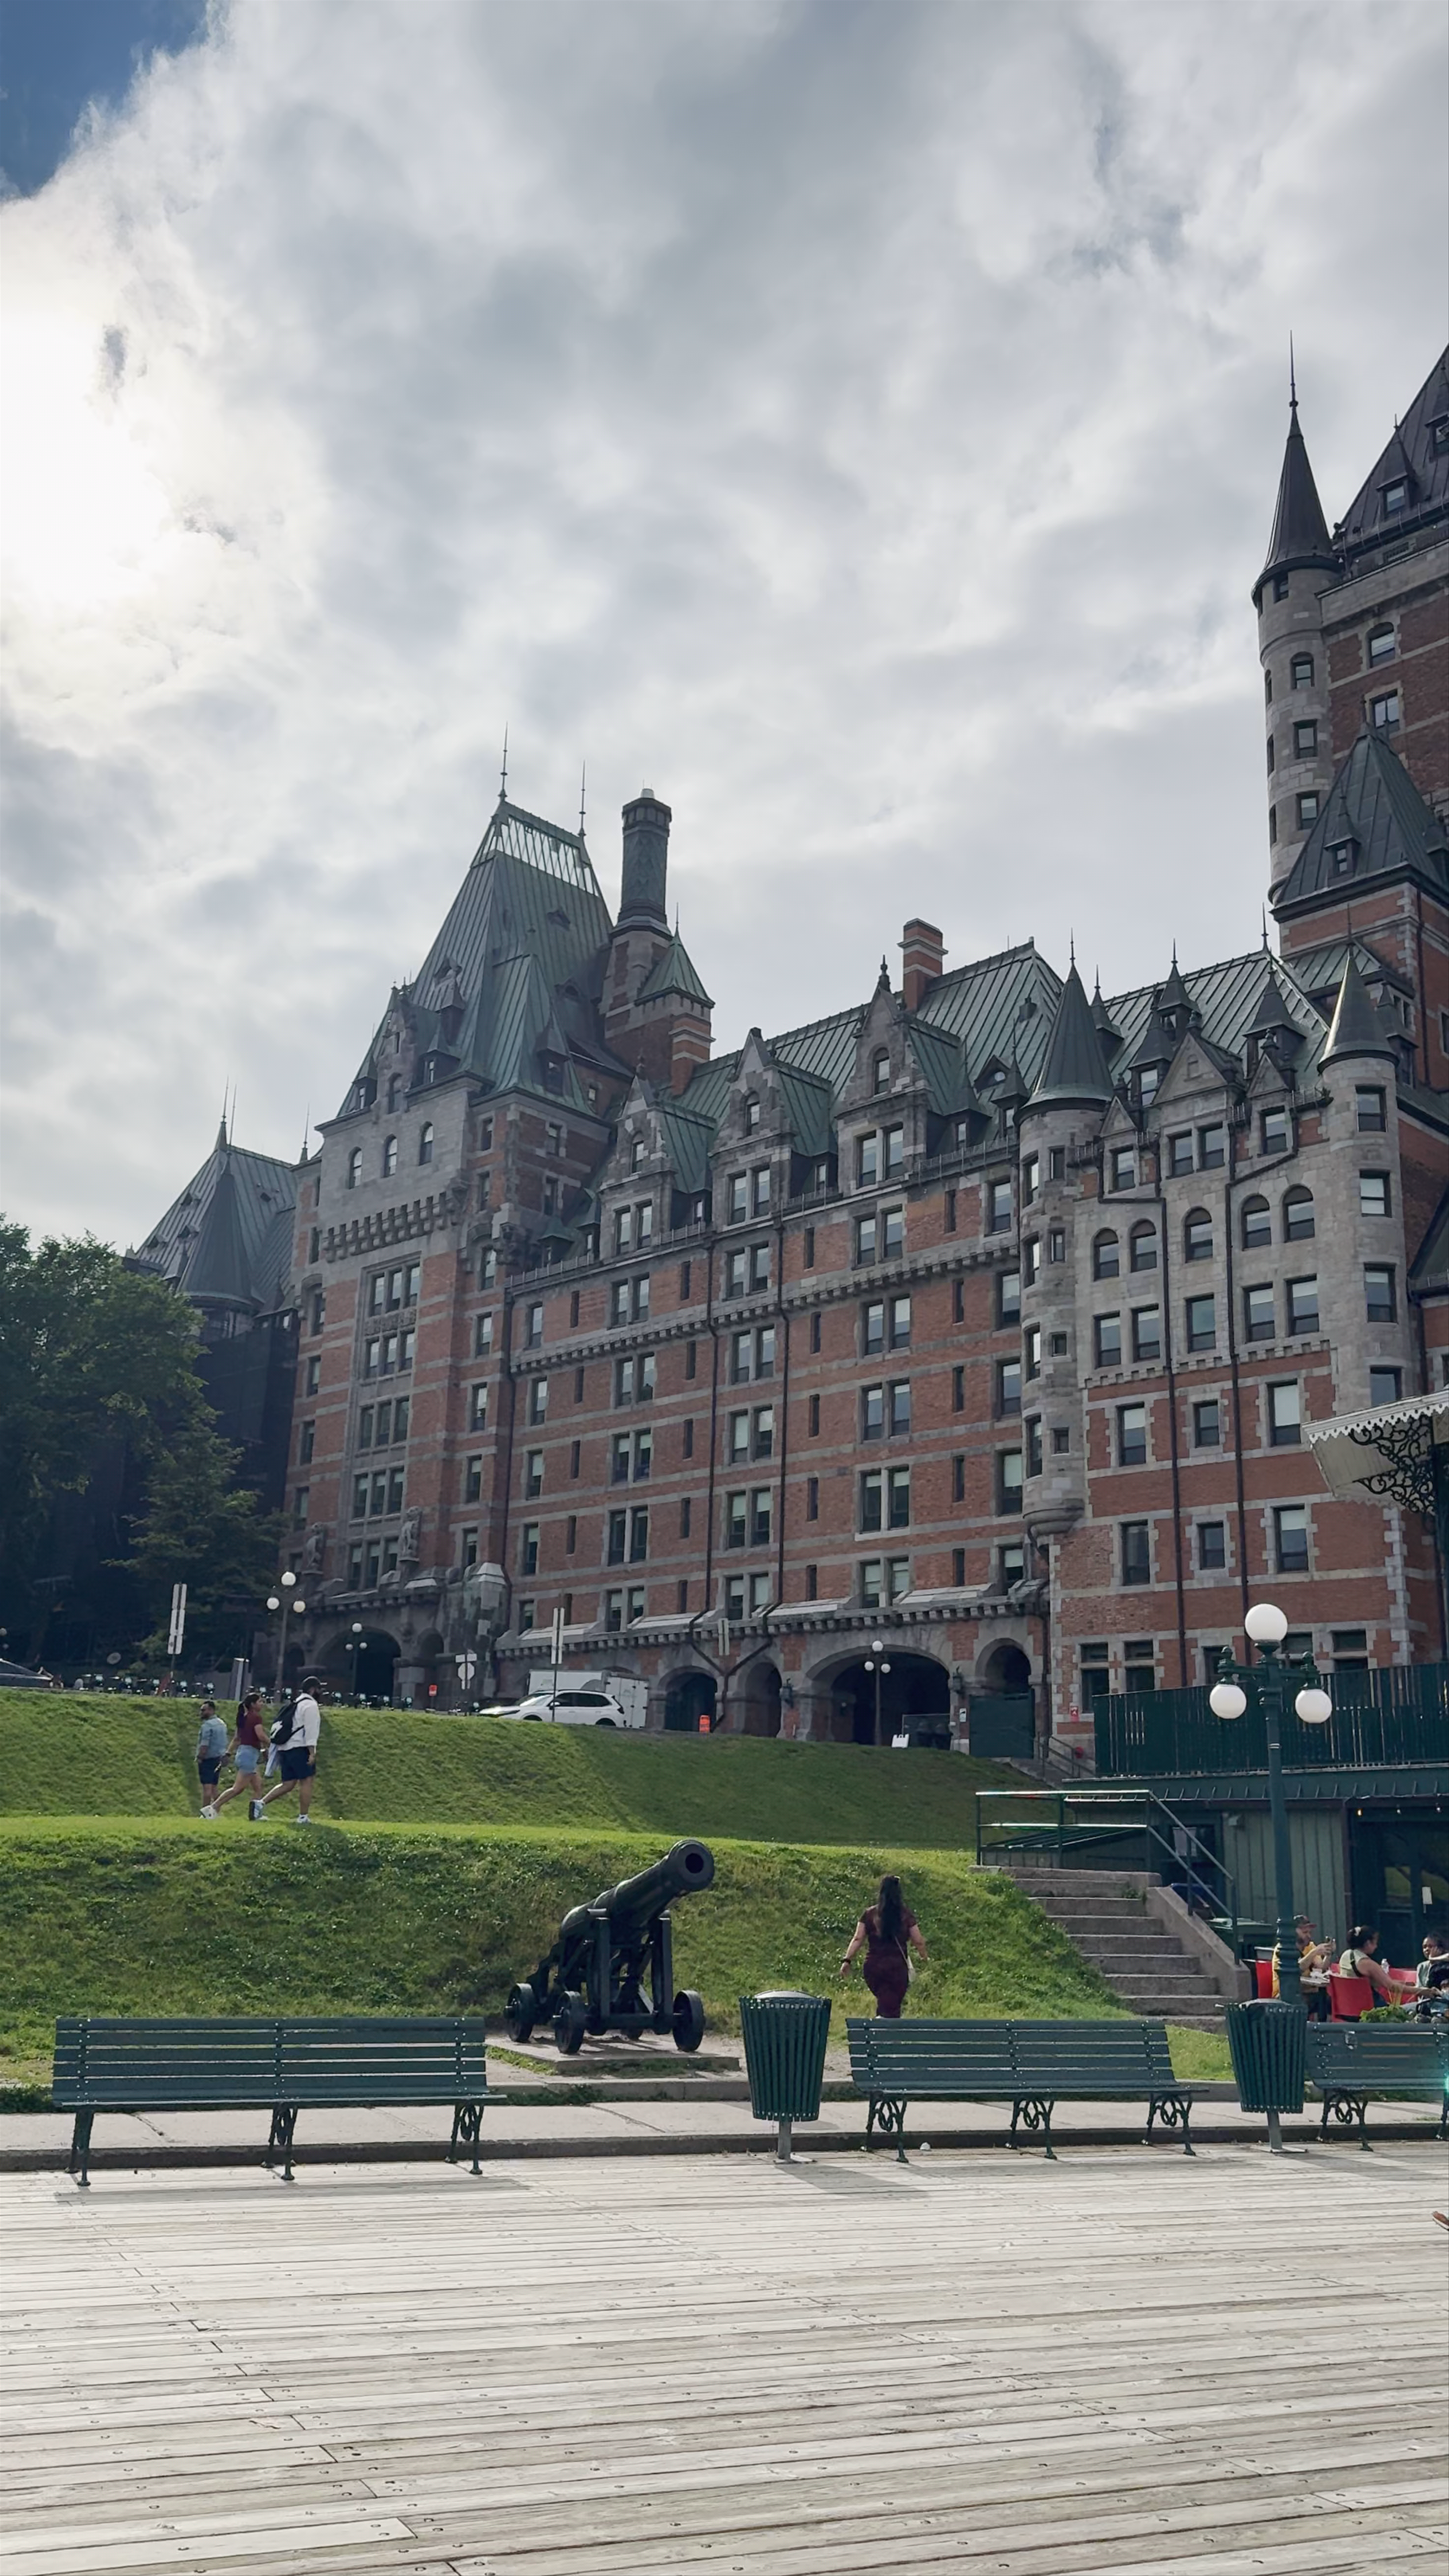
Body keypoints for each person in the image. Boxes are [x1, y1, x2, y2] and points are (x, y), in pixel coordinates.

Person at [840, 1873, 928, 2018]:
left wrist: (847, 1960)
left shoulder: (870, 1914)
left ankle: (881, 2027)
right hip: (897, 1968)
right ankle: (887, 2030)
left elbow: (858, 1938)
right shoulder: (905, 1915)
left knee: (886, 2002)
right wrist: (924, 1956)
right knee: (892, 2006)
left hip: (874, 1966)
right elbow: (918, 1940)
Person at [254, 1674, 322, 1823]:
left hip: (284, 1748)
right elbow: (311, 1731)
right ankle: (303, 1817)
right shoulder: (310, 1706)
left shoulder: (295, 1703)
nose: (320, 1693)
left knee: (288, 1784)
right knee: (307, 1781)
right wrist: (312, 1753)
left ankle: (259, 1804)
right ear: (313, 1690)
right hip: (300, 1748)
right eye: (319, 1689)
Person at [212, 1690, 266, 1814]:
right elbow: (261, 1736)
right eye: (260, 1702)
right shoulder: (256, 1718)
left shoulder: (244, 1719)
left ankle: (255, 1814)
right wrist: (273, 1744)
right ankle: (213, 1807)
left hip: (244, 1754)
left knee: (258, 1787)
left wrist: (228, 1753)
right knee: (237, 1789)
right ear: (253, 1705)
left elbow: (237, 1739)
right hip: (249, 1755)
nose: (262, 1704)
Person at [1272, 1916, 1334, 2019]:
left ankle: (1324, 2028)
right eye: (1305, 1933)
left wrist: (1329, 1954)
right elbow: (1295, 1970)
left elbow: (1322, 1967)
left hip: (1308, 1991)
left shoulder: (1310, 1946)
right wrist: (1314, 1953)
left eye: (1310, 1933)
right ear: (1294, 1932)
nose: (1309, 1936)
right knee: (1309, 2003)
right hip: (1284, 1994)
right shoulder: (1283, 1949)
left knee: (1330, 2001)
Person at [1337, 1926, 1398, 2002]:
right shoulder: (1367, 1963)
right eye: (1375, 1943)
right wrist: (1414, 1991)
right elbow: (1392, 1987)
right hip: (1369, 2007)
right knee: (1412, 2006)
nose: (1376, 1947)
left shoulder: (1345, 1955)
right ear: (1368, 1943)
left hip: (1348, 2005)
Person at [195, 1700, 230, 1818]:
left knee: (207, 1788)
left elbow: (205, 1745)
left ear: (211, 1710)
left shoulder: (207, 1726)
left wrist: (200, 1757)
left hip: (208, 1759)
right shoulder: (222, 1724)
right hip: (219, 1758)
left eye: (204, 1710)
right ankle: (216, 1812)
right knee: (215, 1787)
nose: (201, 1713)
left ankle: (205, 1813)